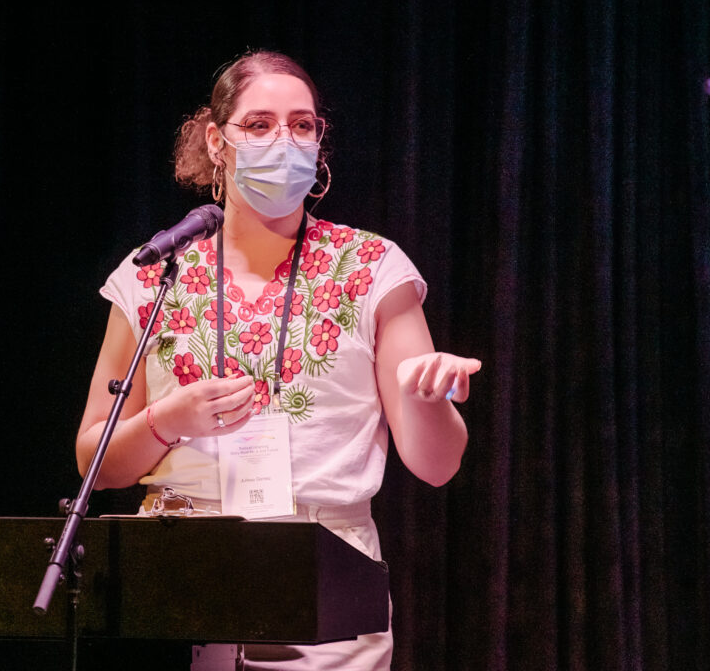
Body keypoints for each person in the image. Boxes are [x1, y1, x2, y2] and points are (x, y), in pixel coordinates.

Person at [75, 50, 481, 670]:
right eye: (259, 124)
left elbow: (437, 465)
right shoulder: (155, 272)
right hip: (173, 581)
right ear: (217, 141)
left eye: (302, 125)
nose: (283, 141)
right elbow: (95, 462)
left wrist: (427, 401)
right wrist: (168, 419)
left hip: (321, 584)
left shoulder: (373, 267)